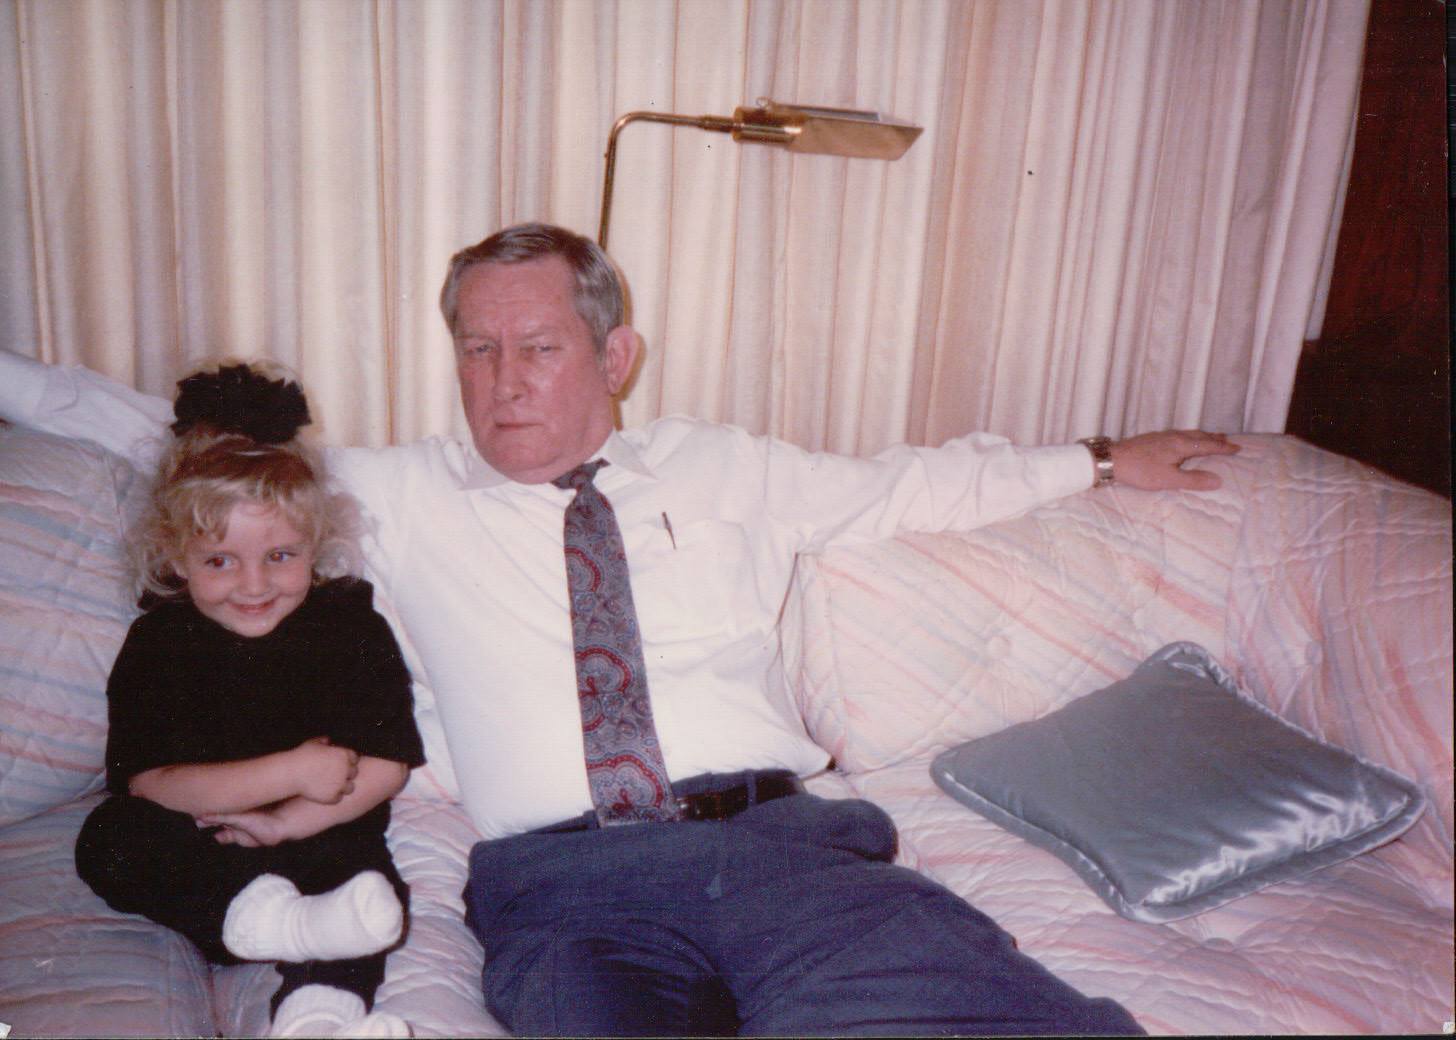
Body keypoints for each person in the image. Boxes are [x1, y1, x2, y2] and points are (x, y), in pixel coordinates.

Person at [1, 223, 1238, 1036]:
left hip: (791, 857)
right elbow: (163, 439)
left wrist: (1096, 458)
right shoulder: (396, 493)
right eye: (477, 349)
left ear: (616, 352)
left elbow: (915, 482)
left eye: (538, 347)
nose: (502, 381)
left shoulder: (727, 464)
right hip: (568, 891)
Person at [71, 362, 425, 1039]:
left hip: (318, 832)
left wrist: (288, 821)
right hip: (201, 848)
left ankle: (316, 1017)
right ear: (176, 556)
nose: (254, 585)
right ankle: (271, 922)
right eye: (220, 561)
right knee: (108, 838)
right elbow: (150, 783)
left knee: (367, 893)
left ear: (315, 544)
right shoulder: (160, 639)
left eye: (281, 556)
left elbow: (387, 764)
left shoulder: (349, 625)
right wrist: (288, 772)